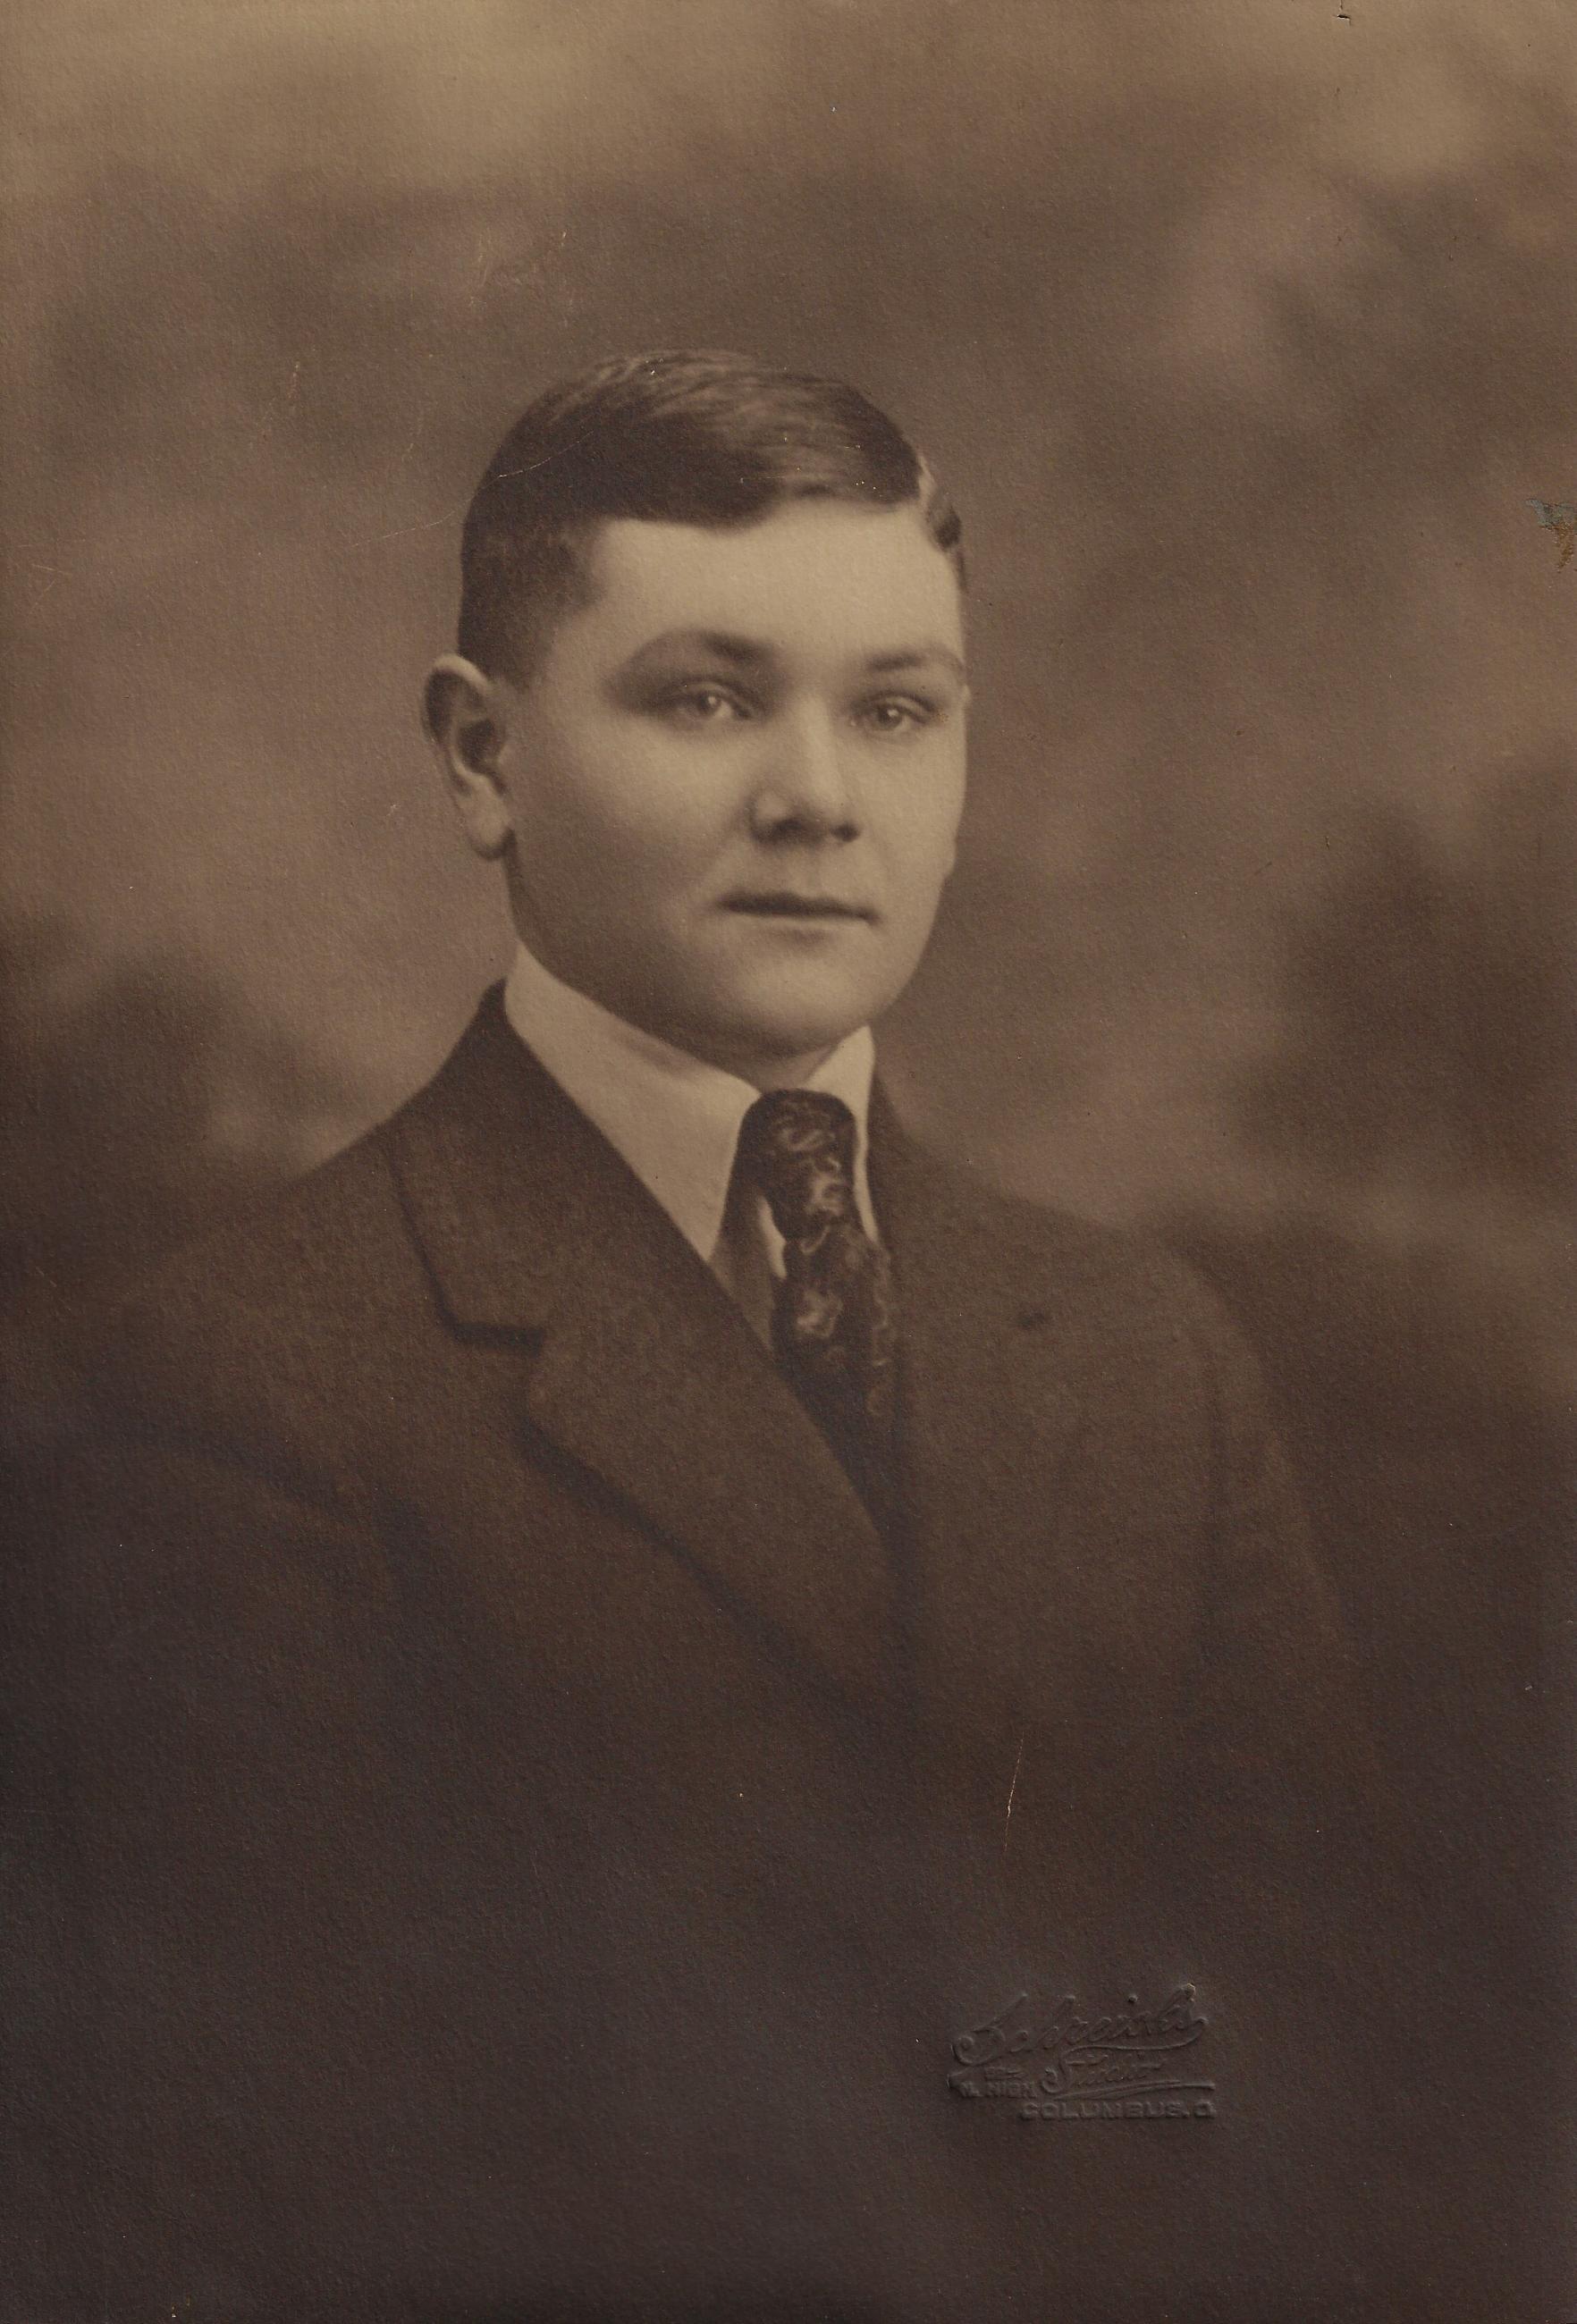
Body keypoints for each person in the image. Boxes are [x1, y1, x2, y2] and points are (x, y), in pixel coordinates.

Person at [9, 351, 1376, 2320]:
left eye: (898, 710)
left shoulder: (1147, 1351)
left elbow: (1339, 2053)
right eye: (707, 696)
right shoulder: (237, 1385)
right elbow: (285, 2173)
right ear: (483, 755)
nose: (818, 796)